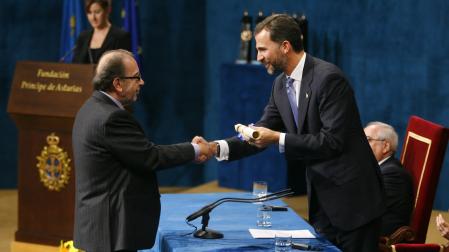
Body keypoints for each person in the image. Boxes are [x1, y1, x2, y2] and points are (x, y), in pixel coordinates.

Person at [208, 14, 386, 251]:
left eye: (262, 49)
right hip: (322, 202)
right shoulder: (281, 85)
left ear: (285, 46)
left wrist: (277, 138)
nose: (258, 57)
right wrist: (216, 148)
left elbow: (331, 142)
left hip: (354, 202)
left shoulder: (329, 79)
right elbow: (258, 132)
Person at [72, 49, 213, 252]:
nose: (142, 82)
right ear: (118, 83)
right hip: (111, 231)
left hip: (101, 228)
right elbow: (150, 157)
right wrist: (195, 149)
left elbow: (139, 152)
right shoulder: (111, 118)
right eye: (136, 77)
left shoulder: (90, 108)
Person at [364, 121, 414, 236]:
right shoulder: (379, 168)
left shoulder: (393, 174)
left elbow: (365, 206)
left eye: (367, 140)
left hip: (377, 238)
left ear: (385, 146)